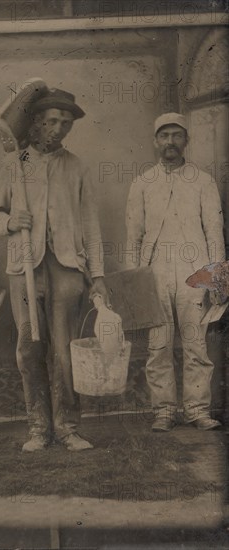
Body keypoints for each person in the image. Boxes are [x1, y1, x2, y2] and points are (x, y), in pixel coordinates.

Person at [0, 88, 108, 451]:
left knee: (66, 350)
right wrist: (9, 221)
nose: (58, 129)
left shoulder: (77, 166)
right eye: (51, 121)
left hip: (68, 268)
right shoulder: (13, 165)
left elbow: (92, 227)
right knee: (29, 349)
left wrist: (97, 277)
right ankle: (38, 427)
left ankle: (67, 426)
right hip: (24, 267)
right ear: (36, 124)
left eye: (65, 123)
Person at [125, 112, 225, 432]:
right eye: (164, 135)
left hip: (195, 273)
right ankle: (164, 410)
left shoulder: (203, 181)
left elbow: (214, 233)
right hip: (155, 273)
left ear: (186, 141)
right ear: (156, 141)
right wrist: (133, 282)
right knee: (159, 346)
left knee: (196, 344)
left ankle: (197, 409)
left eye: (177, 135)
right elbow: (133, 236)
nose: (170, 142)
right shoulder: (142, 183)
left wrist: (217, 278)